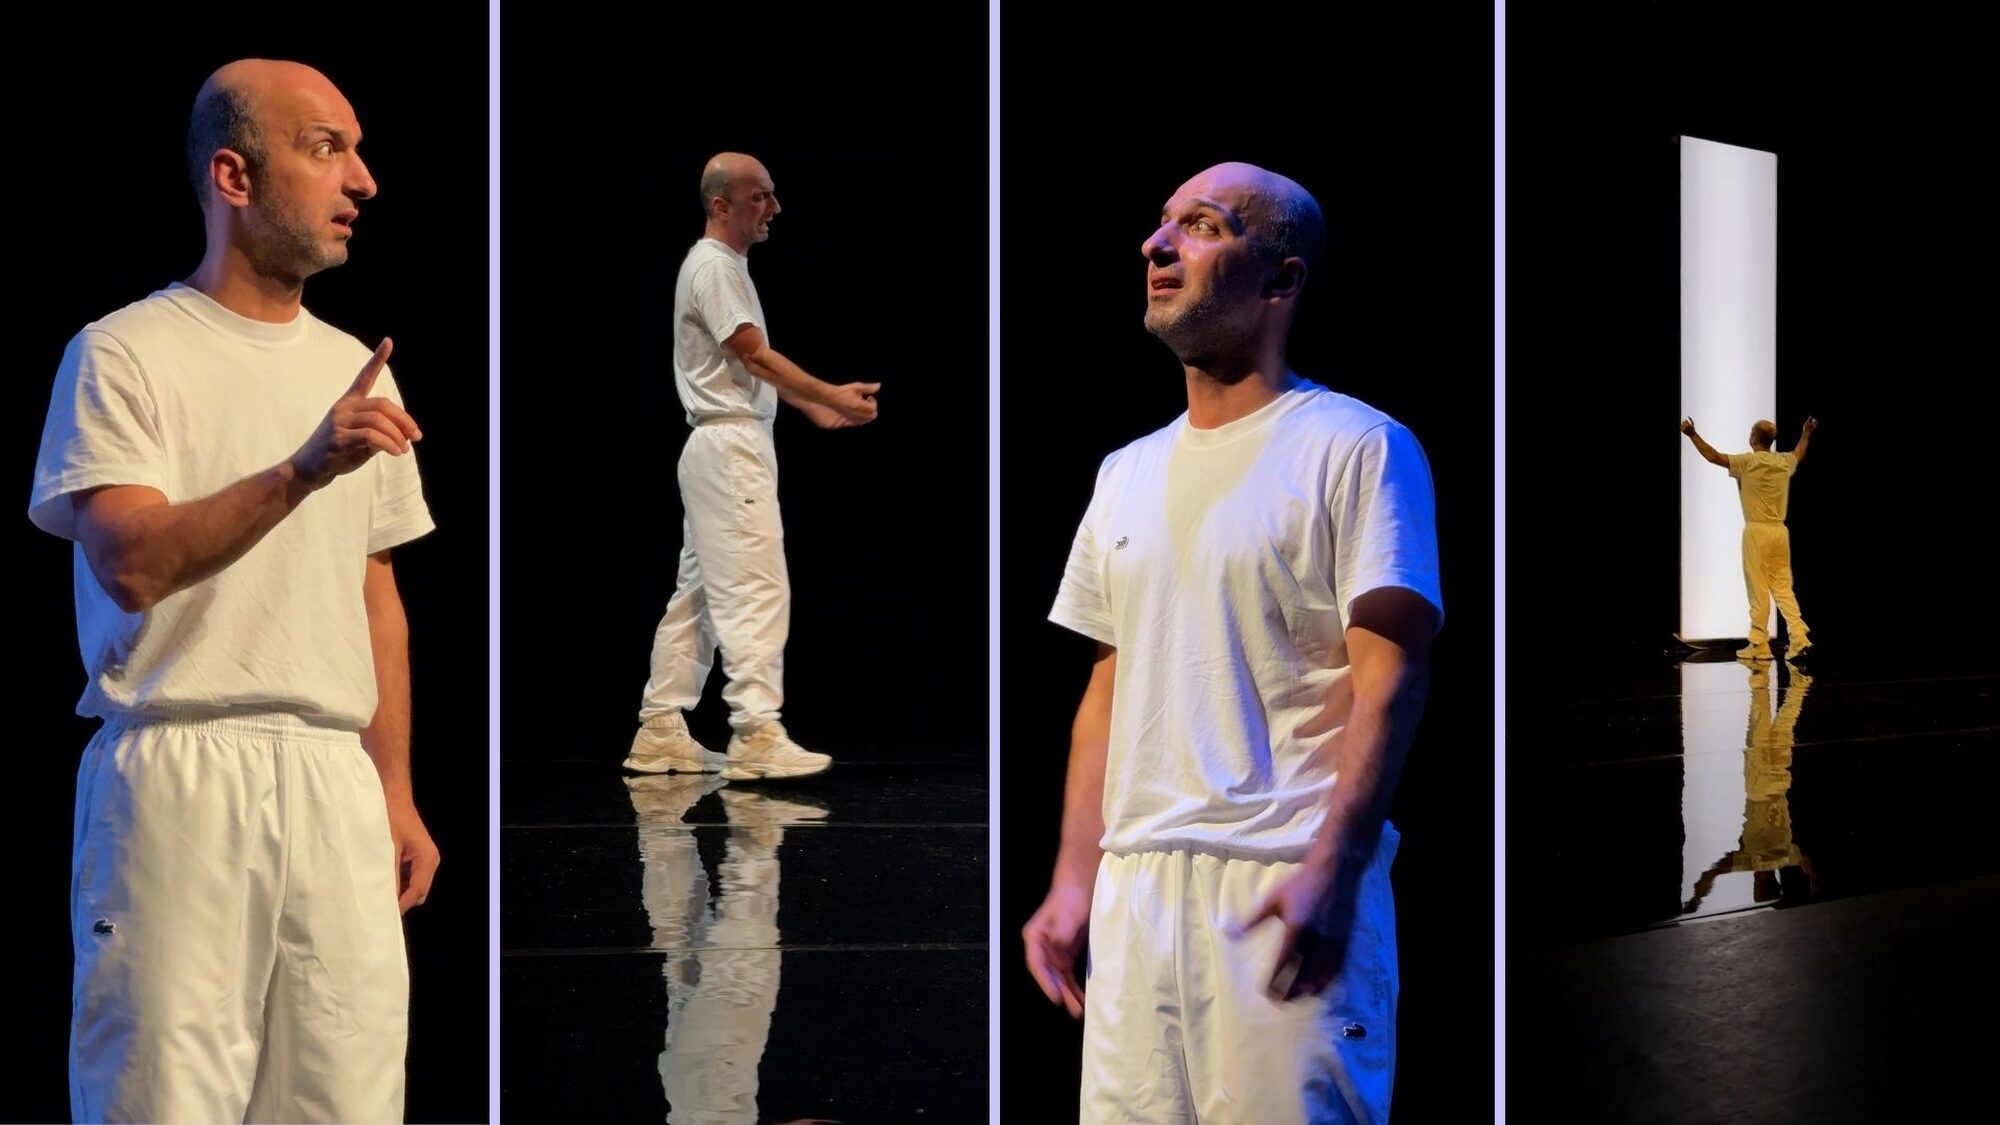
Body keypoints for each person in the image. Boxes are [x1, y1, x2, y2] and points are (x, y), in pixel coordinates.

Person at [29, 60, 438, 1122]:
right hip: (180, 775)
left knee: (348, 1100)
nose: (362, 180)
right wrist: (300, 469)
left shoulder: (357, 369)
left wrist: (391, 788)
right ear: (234, 175)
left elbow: (373, 592)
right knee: (163, 1099)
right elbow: (129, 563)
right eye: (326, 148)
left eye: (357, 149)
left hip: (332, 782)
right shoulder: (124, 352)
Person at [1020, 162, 1443, 1124]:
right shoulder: (1123, 473)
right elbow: (1108, 692)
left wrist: (1333, 869)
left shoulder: (1358, 447)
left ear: (1281, 279)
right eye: (1162, 222)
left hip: (1280, 887)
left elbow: (1393, 677)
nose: (1157, 244)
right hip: (1135, 894)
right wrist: (1074, 878)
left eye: (1203, 226)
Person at [626, 153, 881, 781]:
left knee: (701, 593)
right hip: (730, 448)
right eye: (760, 196)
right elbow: (754, 355)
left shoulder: (721, 266)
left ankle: (660, 730)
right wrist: (829, 394)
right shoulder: (714, 265)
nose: (774, 207)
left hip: (721, 446)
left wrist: (811, 406)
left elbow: (742, 361)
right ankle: (756, 732)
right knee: (754, 585)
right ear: (722, 204)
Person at [1680, 415, 1817, 661]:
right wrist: (1806, 433)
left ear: (1753, 439)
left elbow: (1713, 456)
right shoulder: (1783, 461)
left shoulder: (1747, 462)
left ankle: (1759, 644)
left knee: (1758, 588)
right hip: (1780, 532)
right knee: (1783, 587)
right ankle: (1798, 636)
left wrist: (1692, 435)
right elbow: (1799, 453)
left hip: (1757, 532)